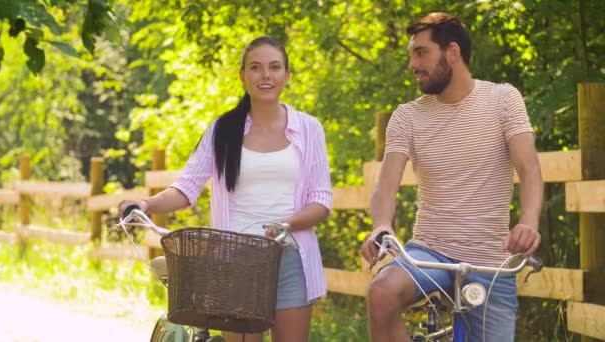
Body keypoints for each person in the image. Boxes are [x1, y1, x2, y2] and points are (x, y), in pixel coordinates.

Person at [119, 36, 332, 342]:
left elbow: (321, 201)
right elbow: (186, 188)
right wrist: (146, 203)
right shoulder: (223, 130)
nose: (265, 75)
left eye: (274, 67)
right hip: (234, 259)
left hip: (290, 256)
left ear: (287, 75)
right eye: (256, 68)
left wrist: (286, 225)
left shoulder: (309, 129)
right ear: (243, 75)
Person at [360, 13, 543, 342]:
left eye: (421, 52)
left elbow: (529, 169)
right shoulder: (407, 117)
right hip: (429, 253)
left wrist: (528, 222)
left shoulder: (503, 100)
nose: (412, 64)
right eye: (411, 54)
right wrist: (382, 225)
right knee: (381, 292)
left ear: (453, 52)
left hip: (491, 262)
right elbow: (386, 185)